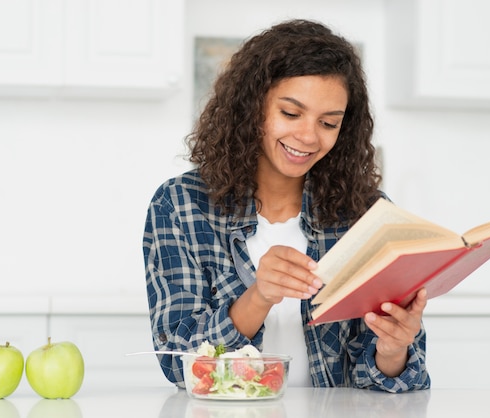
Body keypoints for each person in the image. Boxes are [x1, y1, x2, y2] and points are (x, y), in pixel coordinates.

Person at [142, 18, 430, 392]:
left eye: (328, 122)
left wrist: (393, 350)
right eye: (291, 114)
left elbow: (391, 382)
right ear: (251, 107)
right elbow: (178, 361)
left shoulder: (368, 215)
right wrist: (259, 296)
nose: (308, 136)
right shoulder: (180, 205)